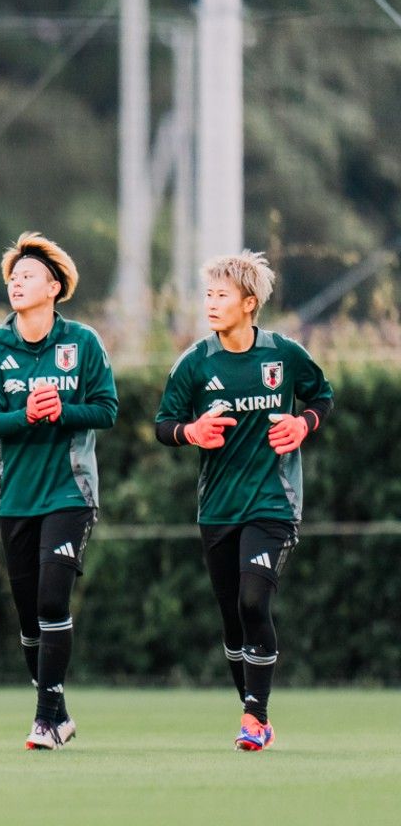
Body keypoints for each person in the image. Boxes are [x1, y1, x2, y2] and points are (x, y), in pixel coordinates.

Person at [155, 251, 333, 752]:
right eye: (207, 295)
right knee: (233, 618)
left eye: (221, 296)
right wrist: (191, 432)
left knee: (255, 601)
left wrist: (303, 424)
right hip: (217, 509)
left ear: (249, 303)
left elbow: (323, 396)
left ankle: (255, 717)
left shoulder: (284, 356)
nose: (210, 304)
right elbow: (162, 426)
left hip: (273, 504)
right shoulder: (194, 363)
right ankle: (252, 709)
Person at [0, 233, 118, 750]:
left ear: (54, 287)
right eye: (13, 277)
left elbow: (106, 409)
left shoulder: (83, 343)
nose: (17, 283)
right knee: (30, 618)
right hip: (15, 497)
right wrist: (26, 415)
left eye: (28, 276)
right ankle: (59, 713)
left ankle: (43, 720)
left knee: (54, 600)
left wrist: (62, 410)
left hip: (69, 494)